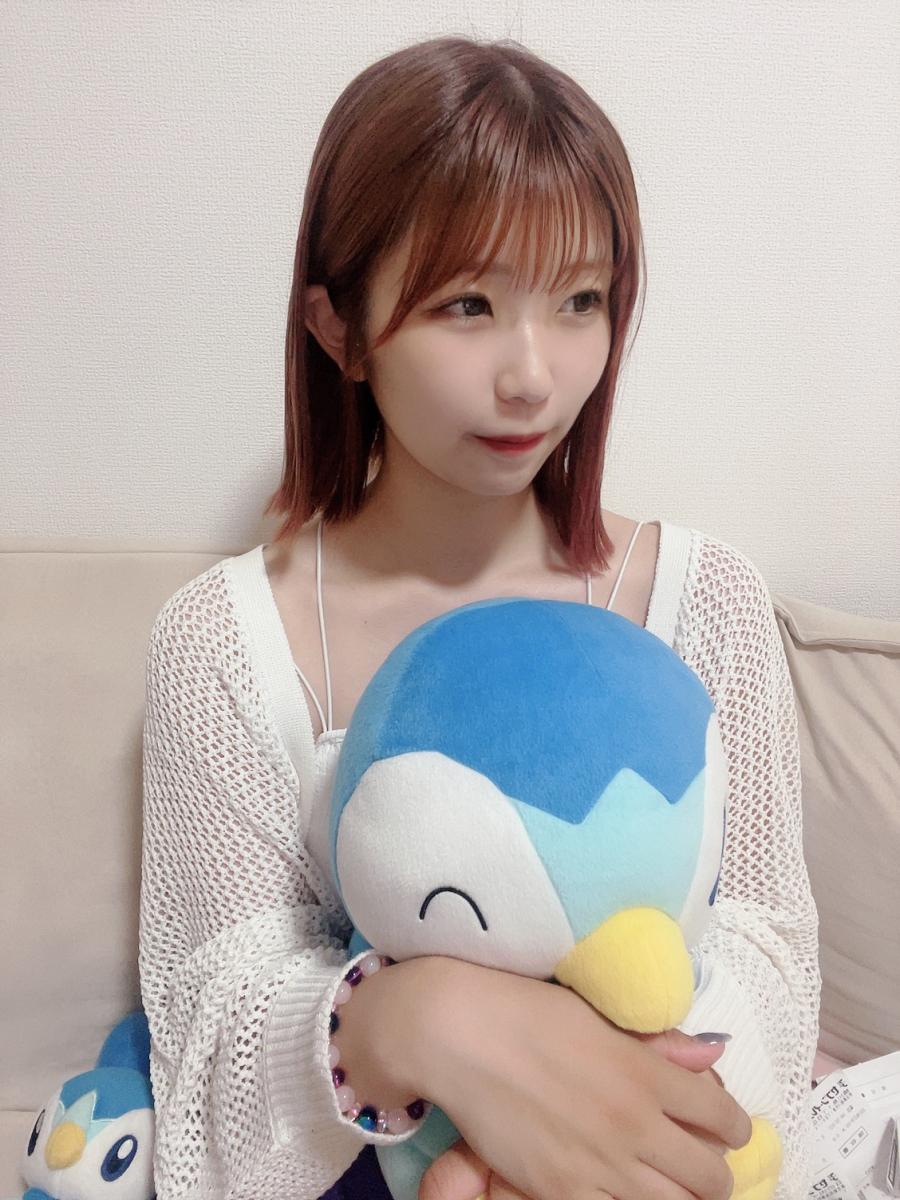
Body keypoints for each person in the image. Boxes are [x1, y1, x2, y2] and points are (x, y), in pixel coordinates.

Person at [138, 33, 821, 1200]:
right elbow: (214, 1041)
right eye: (468, 303)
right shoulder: (225, 644)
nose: (533, 376)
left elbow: (775, 970)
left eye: (580, 301)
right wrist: (413, 1018)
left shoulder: (703, 603)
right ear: (340, 329)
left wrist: (571, 1096)